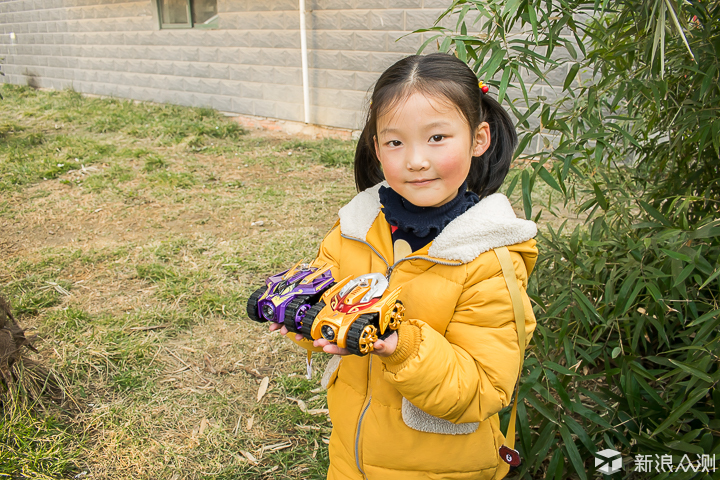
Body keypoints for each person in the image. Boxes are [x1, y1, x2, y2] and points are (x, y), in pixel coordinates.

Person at [270, 52, 538, 480]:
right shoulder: (355, 227)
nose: (415, 159)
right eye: (395, 142)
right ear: (377, 147)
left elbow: (485, 388)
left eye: (437, 138)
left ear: (478, 138)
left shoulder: (487, 258)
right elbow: (331, 316)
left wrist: (400, 345)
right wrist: (305, 318)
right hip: (351, 457)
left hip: (442, 468)